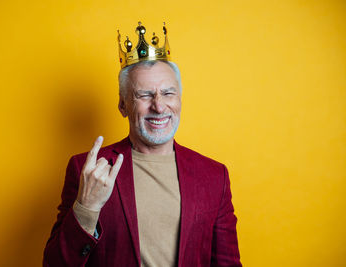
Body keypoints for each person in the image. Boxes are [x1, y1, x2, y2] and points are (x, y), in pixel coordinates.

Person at [43, 22, 242, 267]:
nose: (159, 106)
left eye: (168, 93)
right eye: (144, 95)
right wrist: (86, 208)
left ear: (179, 100)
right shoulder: (87, 169)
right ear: (123, 105)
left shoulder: (214, 176)